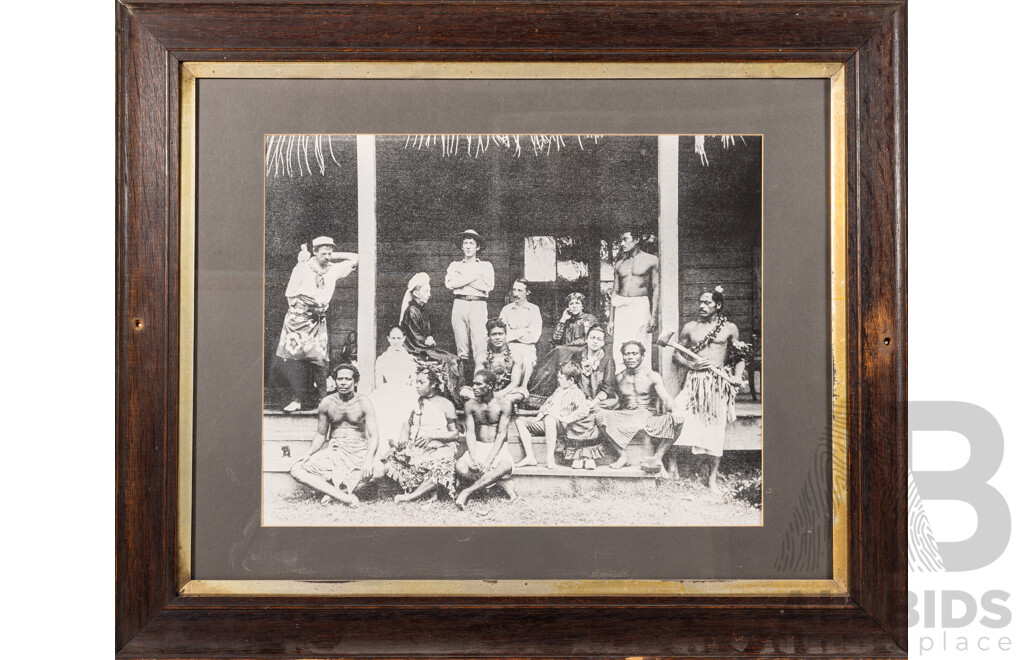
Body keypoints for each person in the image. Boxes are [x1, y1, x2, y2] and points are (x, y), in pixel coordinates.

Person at [669, 287, 746, 493]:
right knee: (677, 412)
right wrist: (691, 365)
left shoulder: (729, 328)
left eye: (707, 303)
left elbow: (739, 357)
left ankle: (712, 479)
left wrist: (737, 376)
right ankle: (672, 463)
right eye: (700, 302)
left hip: (717, 383)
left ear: (718, 305)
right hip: (694, 381)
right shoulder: (690, 328)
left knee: (716, 428)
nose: (702, 306)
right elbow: (676, 355)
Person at [275, 236, 359, 412]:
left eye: (330, 252)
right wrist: (301, 312)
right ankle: (297, 400)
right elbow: (290, 295)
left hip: (318, 318)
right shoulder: (302, 268)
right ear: (314, 252)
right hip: (299, 318)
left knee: (319, 359)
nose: (327, 257)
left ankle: (323, 401)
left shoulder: (334, 270)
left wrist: (334, 255)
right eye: (324, 253)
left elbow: (356, 258)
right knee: (296, 359)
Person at [288, 364, 385, 506]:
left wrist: (369, 459)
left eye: (348, 379)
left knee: (380, 470)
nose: (343, 382)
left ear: (355, 382)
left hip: (359, 450)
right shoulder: (327, 403)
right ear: (335, 381)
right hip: (335, 451)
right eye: (340, 379)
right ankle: (345, 497)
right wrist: (308, 453)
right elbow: (321, 435)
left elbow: (374, 436)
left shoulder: (364, 402)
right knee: (296, 469)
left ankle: (335, 494)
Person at [595, 341, 681, 473]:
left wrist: (675, 411)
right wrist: (600, 405)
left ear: (642, 356)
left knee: (678, 421)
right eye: (627, 354)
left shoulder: (651, 376)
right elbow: (616, 401)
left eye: (634, 354)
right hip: (627, 415)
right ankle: (623, 455)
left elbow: (666, 398)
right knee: (600, 415)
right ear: (622, 356)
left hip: (647, 415)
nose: (630, 357)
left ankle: (657, 457)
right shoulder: (619, 377)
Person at [384, 368, 461, 503]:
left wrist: (432, 436)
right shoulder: (416, 402)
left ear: (433, 384)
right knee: (389, 460)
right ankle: (430, 490)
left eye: (422, 382)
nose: (417, 386)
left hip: (438, 448)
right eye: (416, 382)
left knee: (441, 468)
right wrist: (402, 441)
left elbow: (455, 433)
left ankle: (411, 496)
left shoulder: (445, 404)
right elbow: (407, 425)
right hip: (416, 450)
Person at [515, 361, 601, 470]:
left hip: (561, 426)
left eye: (561, 378)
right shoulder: (559, 390)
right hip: (547, 422)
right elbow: (547, 403)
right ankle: (530, 457)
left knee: (550, 419)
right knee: (520, 421)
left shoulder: (576, 393)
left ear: (571, 380)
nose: (558, 380)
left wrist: (566, 419)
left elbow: (583, 410)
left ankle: (550, 458)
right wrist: (540, 415)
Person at [454, 370, 517, 509]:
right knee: (460, 467)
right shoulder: (470, 404)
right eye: (473, 384)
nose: (474, 387)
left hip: (496, 447)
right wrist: (473, 457)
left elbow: (501, 434)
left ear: (490, 385)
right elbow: (470, 432)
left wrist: (489, 460)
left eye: (478, 384)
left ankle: (467, 492)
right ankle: (499, 484)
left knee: (505, 465)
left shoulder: (504, 403)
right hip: (478, 446)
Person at [399, 272, 461, 398]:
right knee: (446, 360)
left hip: (424, 346)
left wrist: (430, 337)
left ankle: (455, 393)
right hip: (416, 348)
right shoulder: (411, 311)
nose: (429, 295)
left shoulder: (422, 310)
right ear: (416, 293)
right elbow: (415, 335)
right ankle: (451, 395)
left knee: (455, 358)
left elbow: (427, 332)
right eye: (426, 291)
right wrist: (426, 341)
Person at [444, 229, 494, 378]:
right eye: (465, 243)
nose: (468, 246)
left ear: (477, 247)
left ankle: (479, 384)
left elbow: (488, 286)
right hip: (459, 303)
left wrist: (463, 279)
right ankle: (462, 385)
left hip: (478, 305)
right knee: (461, 345)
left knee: (480, 345)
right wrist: (475, 277)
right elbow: (450, 284)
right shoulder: (454, 265)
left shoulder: (486, 266)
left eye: (471, 243)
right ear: (461, 246)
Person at [530, 292, 599, 398]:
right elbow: (556, 339)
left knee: (560, 351)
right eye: (571, 304)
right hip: (565, 352)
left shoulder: (589, 318)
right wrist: (563, 319)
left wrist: (568, 346)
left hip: (582, 351)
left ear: (583, 306)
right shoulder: (567, 320)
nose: (574, 306)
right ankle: (540, 393)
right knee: (555, 355)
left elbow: (588, 339)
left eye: (577, 303)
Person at [609, 229, 659, 372]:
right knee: (620, 345)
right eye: (621, 240)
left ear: (636, 239)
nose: (622, 243)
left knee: (641, 344)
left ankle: (642, 386)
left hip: (640, 305)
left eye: (626, 239)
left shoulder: (651, 260)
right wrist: (611, 319)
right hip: (622, 306)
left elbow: (656, 288)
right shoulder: (619, 264)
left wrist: (653, 316)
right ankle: (621, 385)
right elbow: (615, 292)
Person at [369, 327, 419, 448]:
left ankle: (404, 446)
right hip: (388, 391)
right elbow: (379, 383)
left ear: (404, 339)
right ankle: (386, 447)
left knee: (408, 411)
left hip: (407, 391)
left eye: (399, 338)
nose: (396, 341)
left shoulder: (410, 359)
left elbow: (413, 380)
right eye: (393, 338)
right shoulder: (382, 359)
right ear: (388, 339)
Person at [499, 278, 543, 389]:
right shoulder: (506, 309)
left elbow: (534, 336)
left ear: (527, 292)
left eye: (520, 290)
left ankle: (522, 391)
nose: (515, 294)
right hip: (509, 347)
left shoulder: (534, 309)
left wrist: (513, 334)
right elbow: (502, 334)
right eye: (514, 290)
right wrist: (524, 331)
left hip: (527, 348)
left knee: (527, 362)